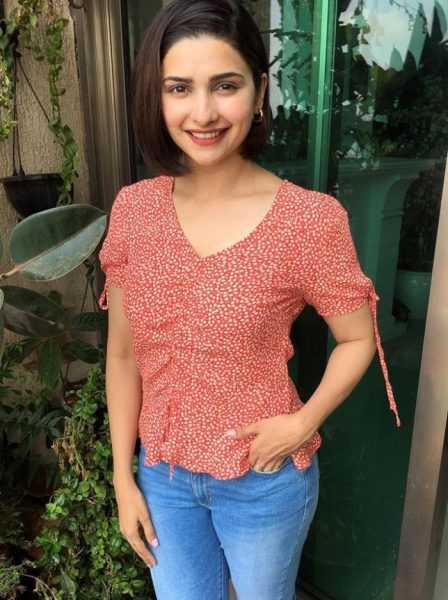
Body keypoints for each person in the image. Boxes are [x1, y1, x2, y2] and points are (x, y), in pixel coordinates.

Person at [97, 1, 401, 599]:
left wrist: (303, 423)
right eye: (179, 88)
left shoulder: (307, 221)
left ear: (259, 92)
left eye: (226, 85)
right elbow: (124, 356)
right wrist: (122, 478)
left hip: (264, 479)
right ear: (157, 98)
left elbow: (356, 337)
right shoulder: (134, 211)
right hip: (163, 476)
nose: (203, 112)